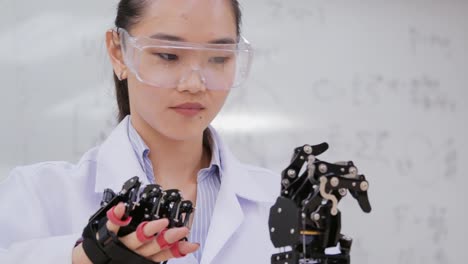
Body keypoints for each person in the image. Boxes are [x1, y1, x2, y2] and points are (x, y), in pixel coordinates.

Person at [0, 0, 279, 263]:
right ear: (118, 52)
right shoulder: (38, 195)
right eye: (168, 55)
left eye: (218, 58)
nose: (194, 83)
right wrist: (83, 258)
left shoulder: (283, 203)